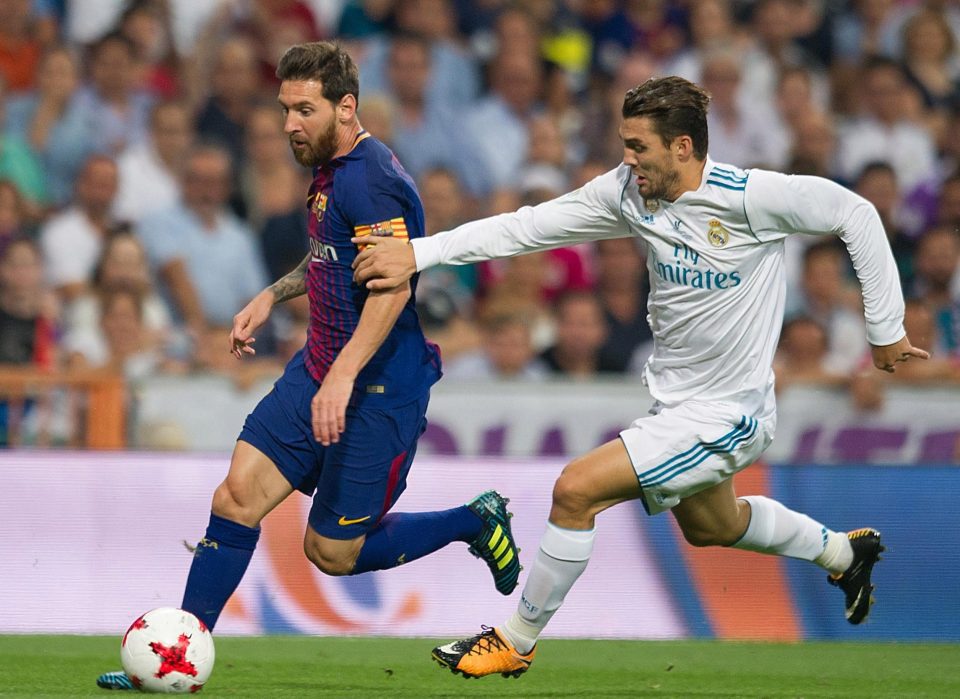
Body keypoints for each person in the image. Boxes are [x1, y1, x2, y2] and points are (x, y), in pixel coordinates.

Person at [351, 75, 929, 679]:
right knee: (714, 526)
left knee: (576, 490)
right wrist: (420, 252)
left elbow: (855, 213)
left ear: (683, 147)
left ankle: (515, 640)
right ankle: (844, 552)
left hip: (730, 413)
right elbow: (525, 227)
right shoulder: (627, 192)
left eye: (639, 145)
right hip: (676, 407)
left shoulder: (751, 197)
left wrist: (884, 327)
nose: (628, 158)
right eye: (625, 143)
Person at [95, 41, 521, 691]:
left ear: (346, 108)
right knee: (235, 496)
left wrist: (345, 378)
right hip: (319, 366)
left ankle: (474, 518)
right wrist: (270, 294)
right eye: (284, 108)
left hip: (379, 389)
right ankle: (177, 653)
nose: (288, 124)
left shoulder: (374, 179)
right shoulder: (328, 164)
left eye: (303, 109)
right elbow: (326, 256)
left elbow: (393, 289)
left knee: (330, 552)